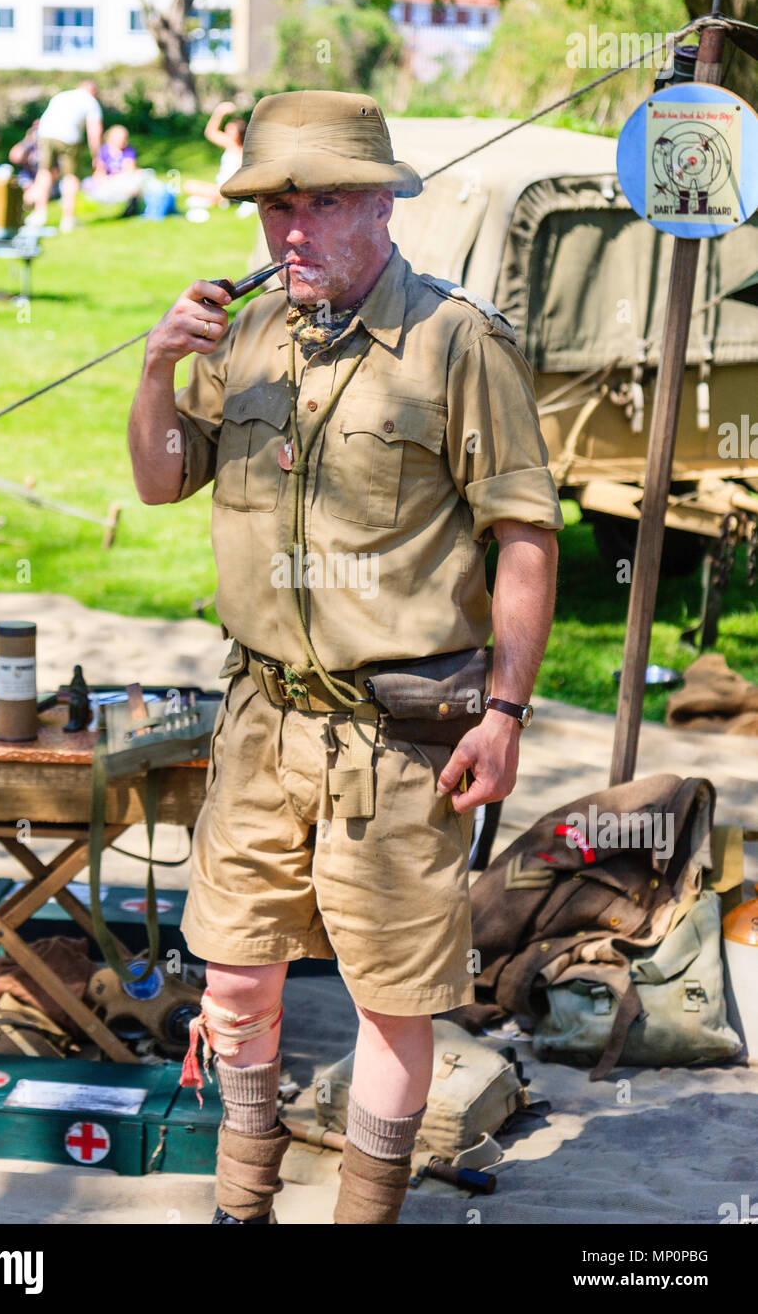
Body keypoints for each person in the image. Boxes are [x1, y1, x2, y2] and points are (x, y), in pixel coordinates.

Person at [127, 89, 563, 1225]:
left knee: (390, 999)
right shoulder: (248, 332)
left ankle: (361, 1216)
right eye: (277, 205)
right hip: (261, 722)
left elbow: (522, 533)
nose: (294, 229)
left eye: (323, 201)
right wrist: (154, 372)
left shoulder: (455, 341)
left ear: (382, 203)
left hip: (400, 735)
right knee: (232, 974)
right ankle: (241, 1204)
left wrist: (504, 711)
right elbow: (162, 477)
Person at [26, 79, 102, 233]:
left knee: (44, 172)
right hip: (69, 138)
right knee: (71, 176)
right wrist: (97, 156)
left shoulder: (62, 96)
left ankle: (40, 214)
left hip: (45, 134)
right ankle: (68, 219)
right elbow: (95, 131)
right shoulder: (90, 102)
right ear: (93, 92)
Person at [183, 99, 247, 208]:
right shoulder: (230, 145)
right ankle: (216, 199)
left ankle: (220, 199)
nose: (226, 133)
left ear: (239, 133)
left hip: (230, 189)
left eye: (230, 131)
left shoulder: (243, 152)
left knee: (192, 189)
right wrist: (219, 112)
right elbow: (210, 132)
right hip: (220, 187)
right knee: (188, 185)